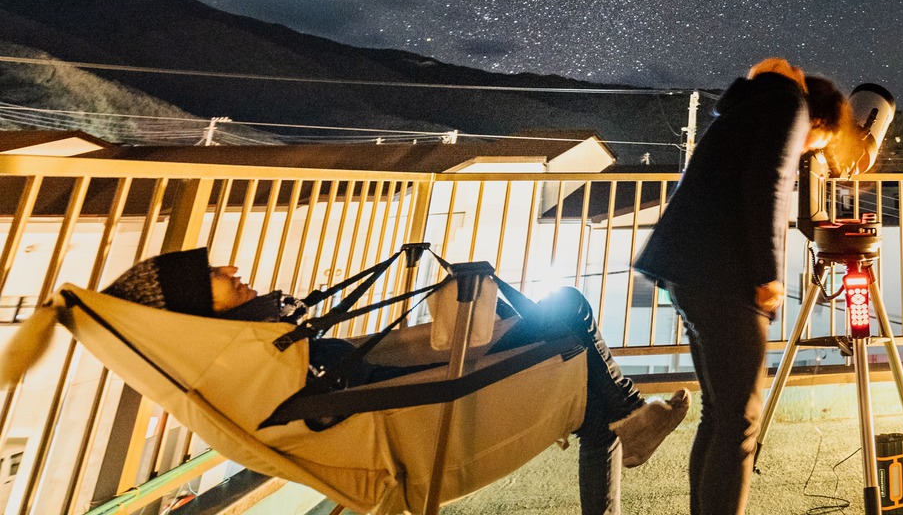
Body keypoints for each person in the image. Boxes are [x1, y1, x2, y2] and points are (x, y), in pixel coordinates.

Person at [101, 248, 687, 515]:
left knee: (584, 369)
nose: (231, 269)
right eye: (212, 276)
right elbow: (362, 384)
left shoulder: (252, 354)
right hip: (432, 405)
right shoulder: (256, 356)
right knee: (573, 318)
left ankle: (629, 417)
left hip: (423, 384)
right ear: (195, 311)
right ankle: (631, 415)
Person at [633, 58, 850, 515]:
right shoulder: (790, 106)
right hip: (723, 275)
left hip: (691, 271)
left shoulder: (757, 104)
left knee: (721, 414)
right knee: (740, 423)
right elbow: (767, 185)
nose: (810, 150)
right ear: (823, 120)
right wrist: (767, 274)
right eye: (819, 143)